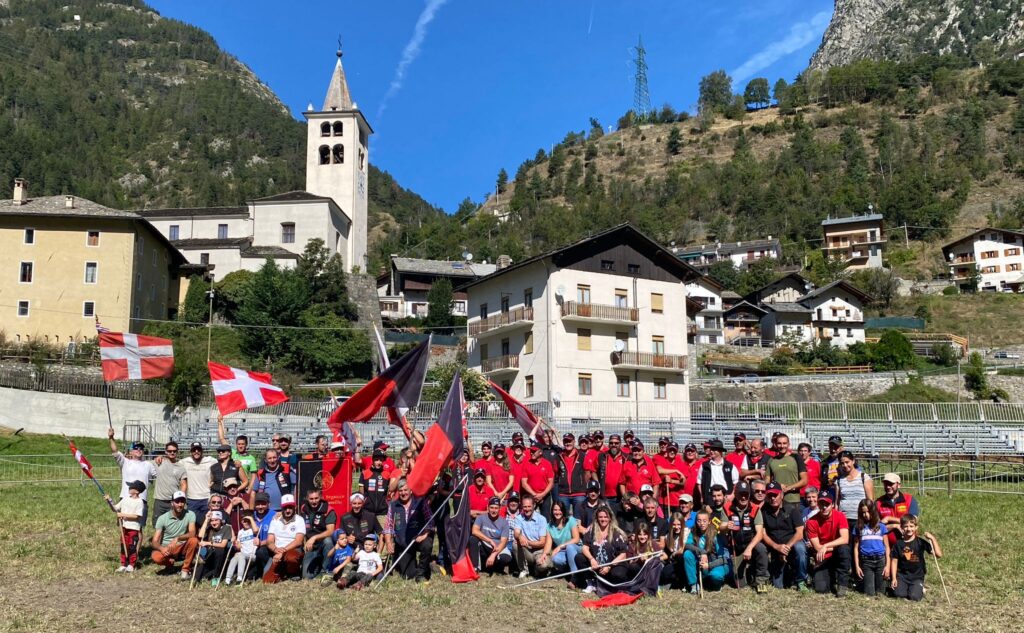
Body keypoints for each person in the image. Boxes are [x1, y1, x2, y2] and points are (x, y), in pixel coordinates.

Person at [383, 479, 435, 582]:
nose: (403, 493)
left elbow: (431, 521)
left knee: (427, 544)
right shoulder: (393, 505)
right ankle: (429, 567)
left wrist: (424, 535)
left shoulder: (420, 502)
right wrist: (388, 542)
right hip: (403, 543)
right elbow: (388, 527)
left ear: (411, 490)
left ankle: (421, 573)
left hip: (418, 539)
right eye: (401, 490)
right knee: (408, 575)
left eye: (406, 490)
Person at [760, 481, 808, 591]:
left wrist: (786, 548)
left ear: (781, 495)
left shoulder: (792, 509)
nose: (773, 498)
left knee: (800, 548)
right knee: (778, 586)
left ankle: (801, 580)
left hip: (792, 544)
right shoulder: (763, 511)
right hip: (775, 548)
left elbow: (800, 532)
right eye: (770, 495)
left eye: (775, 495)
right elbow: (763, 533)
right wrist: (776, 547)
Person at [572, 505, 630, 592]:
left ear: (610, 518)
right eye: (600, 517)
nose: (603, 519)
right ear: (597, 518)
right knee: (579, 557)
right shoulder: (591, 531)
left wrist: (609, 566)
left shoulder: (617, 533)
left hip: (612, 566)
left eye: (606, 517)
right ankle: (591, 582)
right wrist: (591, 559)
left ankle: (610, 584)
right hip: (596, 565)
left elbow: (623, 555)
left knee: (618, 574)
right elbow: (584, 547)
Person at [805, 489, 851, 596]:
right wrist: (825, 548)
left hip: (837, 554)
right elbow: (817, 548)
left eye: (827, 504)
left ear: (833, 505)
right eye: (821, 504)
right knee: (821, 589)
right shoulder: (811, 522)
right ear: (818, 504)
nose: (824, 507)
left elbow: (845, 539)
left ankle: (842, 584)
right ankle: (829, 574)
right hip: (823, 557)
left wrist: (826, 546)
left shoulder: (840, 516)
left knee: (844, 548)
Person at [108, 428, 156, 528]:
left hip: (141, 500)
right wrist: (111, 438)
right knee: (123, 527)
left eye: (141, 448)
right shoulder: (125, 462)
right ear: (131, 451)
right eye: (136, 448)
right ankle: (123, 544)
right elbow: (115, 451)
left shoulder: (149, 465)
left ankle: (137, 544)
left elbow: (159, 475)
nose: (139, 450)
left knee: (138, 528)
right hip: (125, 498)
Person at [725, 482, 769, 591]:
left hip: (751, 545)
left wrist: (749, 548)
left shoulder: (755, 508)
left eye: (746, 494)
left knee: (762, 549)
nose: (743, 497)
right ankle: (746, 573)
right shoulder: (727, 507)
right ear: (735, 494)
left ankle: (760, 580)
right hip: (736, 547)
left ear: (749, 494)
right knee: (740, 585)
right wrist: (726, 526)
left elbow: (759, 533)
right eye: (741, 494)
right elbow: (721, 526)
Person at [889, 514, 942, 602]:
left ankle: (920, 588)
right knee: (899, 594)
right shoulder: (898, 544)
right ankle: (906, 587)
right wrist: (894, 578)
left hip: (917, 576)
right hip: (903, 576)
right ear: (901, 527)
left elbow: (938, 555)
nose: (909, 529)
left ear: (916, 527)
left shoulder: (920, 542)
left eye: (911, 526)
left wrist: (932, 538)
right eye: (906, 526)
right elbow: (894, 562)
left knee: (915, 597)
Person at [150, 491, 198, 579]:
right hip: (167, 547)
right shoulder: (162, 518)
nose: (180, 504)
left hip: (181, 545)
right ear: (172, 503)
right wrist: (162, 548)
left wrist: (178, 538)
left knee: (194, 541)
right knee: (156, 557)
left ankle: (185, 570)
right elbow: (154, 541)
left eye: (182, 501)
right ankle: (169, 563)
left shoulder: (190, 514)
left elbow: (192, 533)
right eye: (177, 501)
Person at [683, 510, 731, 593]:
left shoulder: (716, 534)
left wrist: (709, 565)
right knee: (687, 554)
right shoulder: (694, 531)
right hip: (702, 563)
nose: (702, 523)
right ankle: (693, 584)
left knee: (715, 576)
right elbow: (687, 545)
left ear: (709, 521)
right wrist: (702, 552)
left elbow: (724, 558)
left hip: (716, 563)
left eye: (704, 521)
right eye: (699, 521)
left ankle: (715, 584)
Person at [263, 494, 306, 583]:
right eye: (285, 508)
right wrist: (275, 549)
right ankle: (282, 571)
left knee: (291, 557)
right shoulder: (275, 519)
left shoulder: (299, 519)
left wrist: (282, 552)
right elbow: (270, 540)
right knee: (267, 580)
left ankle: (294, 572)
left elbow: (298, 541)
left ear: (295, 507)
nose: (287, 510)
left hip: (292, 550)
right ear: (281, 508)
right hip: (277, 551)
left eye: (290, 507)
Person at [105, 480, 146, 572]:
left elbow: (136, 516)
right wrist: (109, 501)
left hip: (133, 528)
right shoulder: (125, 499)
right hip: (124, 527)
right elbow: (115, 509)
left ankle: (131, 564)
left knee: (132, 546)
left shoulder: (139, 502)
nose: (129, 488)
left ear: (137, 491)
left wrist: (123, 515)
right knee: (124, 545)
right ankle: (123, 564)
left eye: (131, 487)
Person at [852, 499, 889, 597]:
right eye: (863, 512)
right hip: (866, 561)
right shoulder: (858, 528)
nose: (866, 515)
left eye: (868, 512)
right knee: (869, 593)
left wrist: (887, 565)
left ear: (873, 511)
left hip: (880, 560)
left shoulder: (881, 527)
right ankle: (862, 583)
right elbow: (855, 548)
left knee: (881, 592)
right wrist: (857, 566)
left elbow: (887, 547)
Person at [300, 488, 338, 579]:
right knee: (306, 577)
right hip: (311, 546)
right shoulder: (304, 508)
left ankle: (325, 570)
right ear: (307, 499)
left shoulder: (328, 510)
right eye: (311, 499)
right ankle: (317, 563)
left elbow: (330, 531)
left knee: (328, 541)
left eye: (316, 498)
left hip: (323, 544)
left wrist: (314, 538)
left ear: (321, 497)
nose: (314, 501)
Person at [765, 433, 807, 511]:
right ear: (775, 444)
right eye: (779, 443)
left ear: (788, 444)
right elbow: (767, 482)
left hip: (793, 500)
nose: (782, 446)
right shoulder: (771, 460)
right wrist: (778, 485)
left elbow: (804, 480)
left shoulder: (796, 457)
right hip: (776, 501)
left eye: (784, 443)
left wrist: (789, 488)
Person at [470, 496, 511, 575]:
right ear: (488, 508)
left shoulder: (504, 522)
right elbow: (474, 531)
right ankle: (475, 567)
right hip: (485, 544)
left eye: (496, 508)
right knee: (473, 539)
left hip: (498, 547)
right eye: (491, 508)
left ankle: (493, 567)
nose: (493, 510)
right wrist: (489, 540)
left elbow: (503, 541)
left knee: (506, 558)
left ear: (499, 509)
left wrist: (494, 554)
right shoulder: (480, 518)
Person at [513, 496, 552, 578]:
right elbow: (516, 532)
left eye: (529, 506)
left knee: (543, 566)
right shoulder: (519, 518)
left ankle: (537, 569)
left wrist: (527, 542)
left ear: (534, 505)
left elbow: (542, 542)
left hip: (539, 551)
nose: (527, 509)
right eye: (525, 507)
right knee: (515, 544)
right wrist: (520, 536)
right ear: (522, 507)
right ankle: (523, 569)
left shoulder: (542, 519)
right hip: (526, 550)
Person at [876, 473, 920, 546]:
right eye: (885, 484)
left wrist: (889, 518)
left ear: (899, 485)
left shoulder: (909, 500)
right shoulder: (878, 503)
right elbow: (875, 528)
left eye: (891, 484)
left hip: (909, 545)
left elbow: (913, 521)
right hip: (886, 547)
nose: (888, 486)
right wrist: (894, 526)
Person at [151, 441, 187, 529]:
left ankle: (170, 542)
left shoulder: (181, 467)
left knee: (173, 525)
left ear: (177, 452)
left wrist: (179, 499)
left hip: (173, 501)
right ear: (166, 451)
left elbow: (184, 484)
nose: (172, 453)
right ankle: (158, 542)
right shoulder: (159, 462)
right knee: (157, 525)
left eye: (174, 451)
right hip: (160, 500)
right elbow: (142, 463)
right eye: (170, 451)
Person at [182, 442, 215, 527]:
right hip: (192, 498)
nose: (196, 451)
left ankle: (206, 539)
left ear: (202, 451)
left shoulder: (210, 460)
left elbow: (223, 462)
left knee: (207, 523)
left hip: (206, 498)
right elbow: (172, 462)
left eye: (198, 449)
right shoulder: (185, 462)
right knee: (193, 523)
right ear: (190, 451)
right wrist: (162, 458)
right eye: (194, 450)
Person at [195, 510, 233, 586]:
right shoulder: (210, 529)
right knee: (199, 576)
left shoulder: (226, 528)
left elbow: (223, 545)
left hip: (221, 555)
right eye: (212, 521)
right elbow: (200, 535)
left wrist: (208, 543)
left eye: (216, 520)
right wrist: (206, 520)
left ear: (221, 520)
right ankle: (206, 575)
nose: (214, 523)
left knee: (219, 550)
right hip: (210, 555)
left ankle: (216, 576)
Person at [696, 439, 738, 506]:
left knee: (725, 516)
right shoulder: (704, 465)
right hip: (710, 497)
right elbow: (699, 483)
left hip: (726, 497)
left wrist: (732, 494)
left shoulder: (730, 466)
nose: (711, 451)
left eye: (714, 450)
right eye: (711, 449)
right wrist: (702, 496)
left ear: (720, 451)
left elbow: (736, 483)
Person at [592, 434, 627, 515]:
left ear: (620, 444)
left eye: (616, 443)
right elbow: (593, 471)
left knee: (618, 522)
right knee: (605, 519)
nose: (613, 445)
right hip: (604, 496)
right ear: (608, 444)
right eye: (611, 443)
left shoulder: (626, 457)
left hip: (620, 497)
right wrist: (598, 483)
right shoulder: (602, 456)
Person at [835, 451, 874, 523]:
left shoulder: (864, 477)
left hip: (860, 519)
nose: (845, 465)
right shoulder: (839, 480)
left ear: (853, 461)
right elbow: (837, 502)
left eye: (847, 462)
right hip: (843, 519)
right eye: (842, 463)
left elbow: (870, 500)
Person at [555, 433, 588, 518]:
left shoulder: (582, 456)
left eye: (569, 441)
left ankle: (578, 532)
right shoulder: (559, 457)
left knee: (579, 519)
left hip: (579, 493)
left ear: (574, 442)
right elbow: (556, 472)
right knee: (563, 519)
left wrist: (582, 485)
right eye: (566, 441)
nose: (568, 443)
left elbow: (587, 473)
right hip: (563, 493)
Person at [545, 500, 581, 577]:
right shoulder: (549, 526)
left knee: (570, 547)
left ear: (563, 510)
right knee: (555, 559)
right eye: (555, 510)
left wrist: (560, 546)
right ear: (552, 511)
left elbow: (576, 539)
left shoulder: (571, 520)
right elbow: (548, 544)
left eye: (560, 510)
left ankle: (575, 577)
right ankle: (569, 570)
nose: (557, 512)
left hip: (576, 548)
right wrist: (544, 555)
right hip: (563, 551)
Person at [521, 447, 555, 518]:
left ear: (540, 452)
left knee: (546, 518)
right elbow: (524, 483)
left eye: (534, 451)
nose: (531, 453)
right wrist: (535, 495)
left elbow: (551, 482)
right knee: (528, 517)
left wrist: (542, 494)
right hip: (530, 496)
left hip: (545, 496)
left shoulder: (547, 464)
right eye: (531, 451)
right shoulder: (526, 464)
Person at [654, 441, 686, 514]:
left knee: (677, 523)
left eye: (674, 450)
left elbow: (683, 482)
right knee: (664, 523)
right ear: (667, 450)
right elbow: (659, 470)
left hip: (677, 500)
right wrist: (675, 470)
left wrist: (671, 481)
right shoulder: (662, 460)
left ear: (676, 451)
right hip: (664, 500)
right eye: (670, 450)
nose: (672, 452)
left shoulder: (681, 464)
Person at [359, 449, 392, 519]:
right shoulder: (364, 473)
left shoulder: (387, 474)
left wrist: (385, 502)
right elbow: (361, 492)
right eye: (377, 460)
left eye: (381, 460)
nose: (379, 462)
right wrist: (365, 502)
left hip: (382, 512)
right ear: (373, 460)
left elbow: (389, 491)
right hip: (367, 511)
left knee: (382, 530)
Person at [225, 514, 258, 585]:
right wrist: (235, 543)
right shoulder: (240, 532)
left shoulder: (252, 530)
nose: (246, 523)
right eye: (244, 521)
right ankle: (228, 579)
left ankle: (239, 577)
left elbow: (256, 530)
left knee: (240, 556)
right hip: (242, 554)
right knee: (234, 558)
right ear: (241, 522)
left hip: (252, 555)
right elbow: (239, 547)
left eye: (248, 521)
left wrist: (250, 518)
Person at [251, 491, 276, 579]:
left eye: (263, 504)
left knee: (261, 551)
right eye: (258, 504)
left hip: (268, 546)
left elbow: (275, 536)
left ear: (268, 504)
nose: (260, 507)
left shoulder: (274, 515)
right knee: (249, 576)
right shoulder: (251, 515)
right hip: (252, 546)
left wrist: (261, 543)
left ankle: (268, 571)